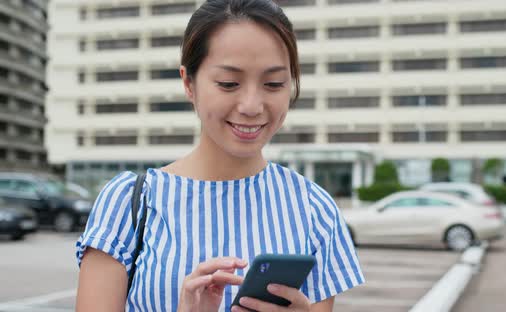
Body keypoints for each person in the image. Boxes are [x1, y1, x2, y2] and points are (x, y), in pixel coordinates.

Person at [75, 0, 365, 311]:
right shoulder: (129, 202)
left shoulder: (314, 209)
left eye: (274, 83)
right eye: (229, 83)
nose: (252, 106)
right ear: (189, 83)